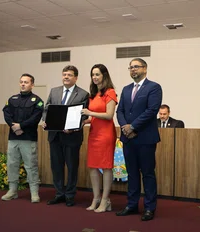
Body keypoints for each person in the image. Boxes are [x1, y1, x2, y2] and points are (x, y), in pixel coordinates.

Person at [116, 58, 162, 221]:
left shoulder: (154, 87)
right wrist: (124, 127)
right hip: (128, 139)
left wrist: (133, 126)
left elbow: (152, 110)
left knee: (148, 174)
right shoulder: (126, 89)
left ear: (145, 69)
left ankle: (149, 208)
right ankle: (132, 205)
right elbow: (119, 110)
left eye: (136, 67)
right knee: (132, 174)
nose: (133, 70)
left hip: (145, 138)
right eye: (130, 67)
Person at [42, 65, 89, 207]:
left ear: (76, 78)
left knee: (72, 167)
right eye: (64, 74)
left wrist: (74, 127)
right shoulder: (54, 91)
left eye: (69, 75)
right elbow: (46, 109)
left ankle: (70, 195)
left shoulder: (83, 94)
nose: (66, 77)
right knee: (56, 166)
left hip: (72, 136)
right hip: (54, 135)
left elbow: (84, 115)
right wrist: (45, 120)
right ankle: (59, 194)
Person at [1, 73, 44, 203]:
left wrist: (21, 126)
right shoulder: (12, 99)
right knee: (12, 164)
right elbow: (6, 113)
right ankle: (12, 190)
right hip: (13, 138)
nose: (23, 84)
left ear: (32, 85)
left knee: (31, 166)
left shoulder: (37, 101)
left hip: (28, 138)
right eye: (21, 82)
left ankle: (34, 193)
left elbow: (35, 118)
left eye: (26, 82)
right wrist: (14, 126)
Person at [81, 64, 118, 213]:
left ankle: (105, 200)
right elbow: (96, 116)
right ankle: (96, 198)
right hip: (94, 133)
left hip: (106, 134)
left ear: (104, 75)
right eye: (92, 75)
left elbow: (109, 115)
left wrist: (90, 113)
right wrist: (86, 120)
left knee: (106, 167)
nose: (95, 77)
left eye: (97, 74)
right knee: (93, 166)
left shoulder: (110, 92)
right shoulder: (94, 93)